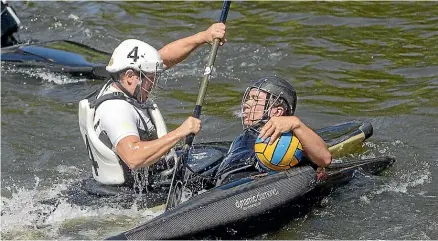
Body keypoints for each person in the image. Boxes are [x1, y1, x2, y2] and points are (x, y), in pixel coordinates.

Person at [78, 23, 226, 189]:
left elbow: (164, 57)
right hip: (130, 195)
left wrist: (203, 36)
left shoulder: (120, 82)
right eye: (150, 78)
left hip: (142, 177)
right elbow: (133, 157)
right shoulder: (116, 110)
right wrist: (180, 132)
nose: (153, 83)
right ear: (129, 76)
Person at [214, 76, 332, 182]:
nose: (246, 104)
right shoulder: (242, 138)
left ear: (277, 111)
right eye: (248, 98)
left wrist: (296, 124)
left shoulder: (288, 139)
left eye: (255, 99)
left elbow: (325, 159)